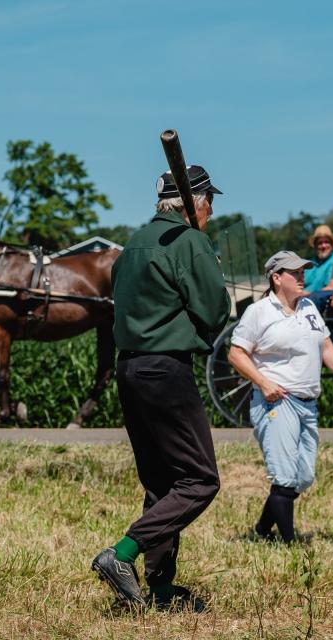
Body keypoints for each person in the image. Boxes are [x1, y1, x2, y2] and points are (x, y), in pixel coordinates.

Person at [91, 165, 231, 612]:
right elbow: (213, 312)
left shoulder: (131, 244)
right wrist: (210, 269)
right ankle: (122, 554)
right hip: (166, 371)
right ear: (197, 202)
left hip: (129, 371)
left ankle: (161, 589)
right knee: (199, 480)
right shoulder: (191, 242)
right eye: (211, 201)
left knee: (161, 483)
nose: (211, 211)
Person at [228, 250, 333, 544]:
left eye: (303, 272)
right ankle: (290, 544)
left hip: (307, 404)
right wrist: (263, 383)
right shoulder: (259, 312)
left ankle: (262, 531)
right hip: (277, 401)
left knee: (302, 477)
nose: (302, 278)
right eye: (295, 273)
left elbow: (325, 345)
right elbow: (236, 354)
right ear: (277, 278)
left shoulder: (309, 307)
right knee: (285, 477)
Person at [302, 224, 333, 295]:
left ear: (332, 245)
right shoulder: (309, 264)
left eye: (326, 242)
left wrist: (308, 294)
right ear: (315, 246)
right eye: (320, 243)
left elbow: (332, 288)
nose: (323, 246)